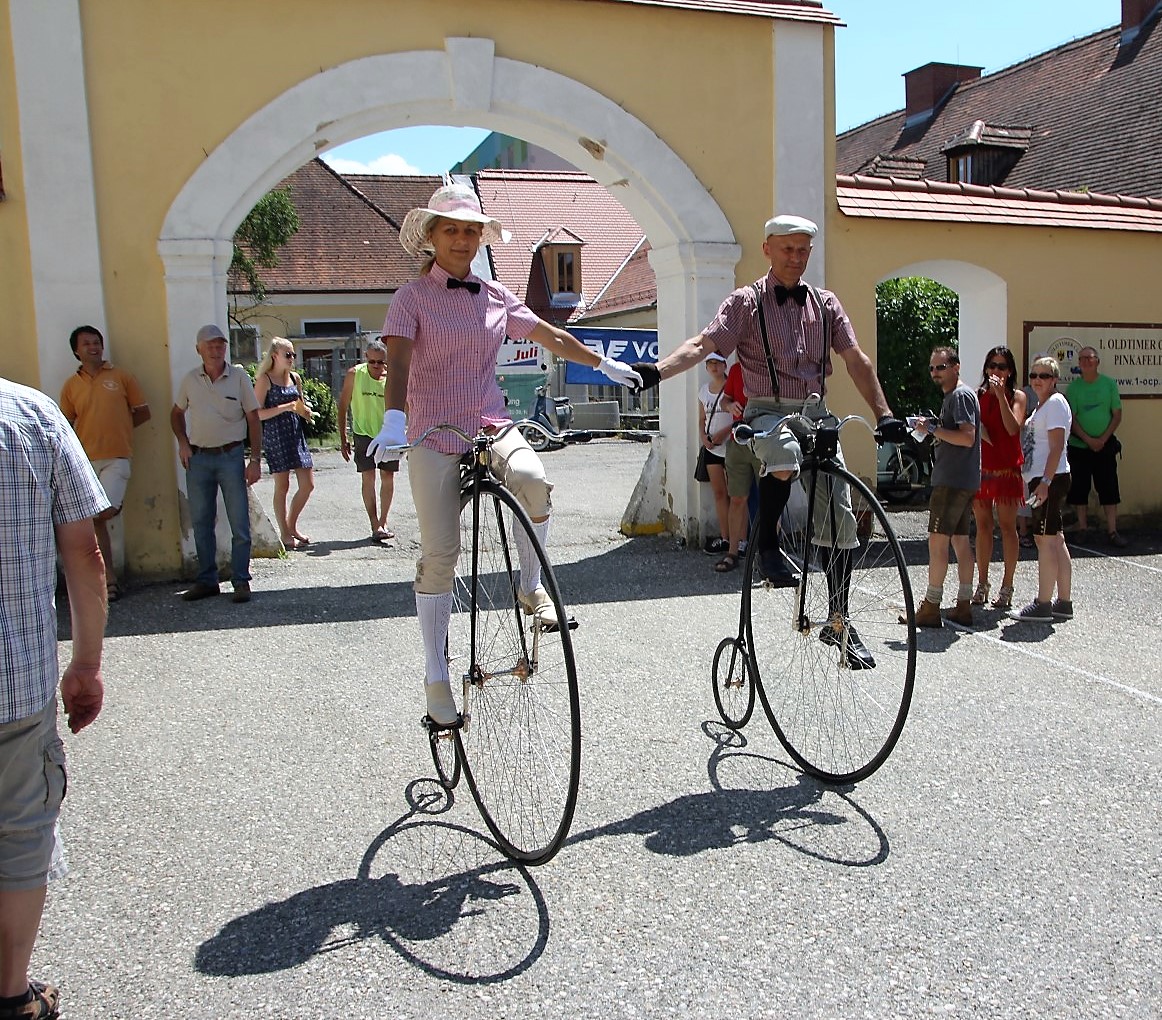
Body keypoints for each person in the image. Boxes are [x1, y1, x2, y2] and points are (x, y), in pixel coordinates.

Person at [370, 183, 641, 725]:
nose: (463, 240)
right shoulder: (410, 298)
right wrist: (395, 417)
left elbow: (549, 334)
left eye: (471, 231)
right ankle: (435, 675)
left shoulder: (494, 294)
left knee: (534, 479)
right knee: (440, 553)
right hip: (431, 430)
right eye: (452, 230)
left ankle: (530, 586)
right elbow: (397, 362)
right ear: (431, 236)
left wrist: (602, 364)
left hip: (488, 421)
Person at [633, 214, 908, 668]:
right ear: (767, 249)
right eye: (787, 249)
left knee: (838, 517)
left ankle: (838, 621)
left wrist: (886, 415)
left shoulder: (825, 304)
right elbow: (705, 344)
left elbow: (856, 360)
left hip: (815, 411)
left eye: (804, 250)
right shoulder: (746, 303)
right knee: (783, 455)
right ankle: (765, 545)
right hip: (765, 411)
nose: (796, 258)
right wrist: (655, 372)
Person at [0, 376, 108, 1020]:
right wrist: (86, 665)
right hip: (14, 682)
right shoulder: (29, 415)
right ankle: (11, 994)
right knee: (19, 833)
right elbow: (84, 551)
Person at [170, 324, 262, 603]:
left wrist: (255, 458)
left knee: (239, 521)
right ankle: (207, 579)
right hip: (198, 458)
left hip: (230, 456)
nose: (216, 349)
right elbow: (175, 414)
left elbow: (253, 418)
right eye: (210, 344)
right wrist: (182, 443)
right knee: (201, 521)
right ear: (199, 349)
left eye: (220, 344)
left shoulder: (238, 377)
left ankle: (241, 580)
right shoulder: (189, 380)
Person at [58, 324, 151, 602]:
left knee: (103, 513)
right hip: (85, 461)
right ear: (77, 350)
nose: (93, 347)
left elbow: (142, 412)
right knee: (93, 519)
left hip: (117, 457)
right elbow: (66, 423)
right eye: (86, 343)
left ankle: (101, 578)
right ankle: (107, 580)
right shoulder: (71, 385)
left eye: (96, 342)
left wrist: (119, 430)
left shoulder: (121, 377)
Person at [912, 347, 981, 628]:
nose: (935, 373)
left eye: (940, 367)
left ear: (956, 367)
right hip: (962, 479)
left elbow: (967, 437)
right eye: (932, 368)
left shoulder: (961, 396)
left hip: (952, 480)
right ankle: (963, 604)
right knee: (960, 541)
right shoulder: (956, 396)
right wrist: (934, 426)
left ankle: (931, 606)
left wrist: (931, 430)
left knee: (937, 542)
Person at [1009, 356, 1073, 622]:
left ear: (1054, 379)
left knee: (1045, 540)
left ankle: (1043, 603)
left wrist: (1045, 483)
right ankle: (1063, 602)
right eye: (1034, 375)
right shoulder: (1043, 406)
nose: (1037, 380)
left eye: (1044, 376)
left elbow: (1056, 446)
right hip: (1045, 478)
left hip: (1051, 479)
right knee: (1055, 539)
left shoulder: (1055, 404)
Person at [970, 345, 1026, 611]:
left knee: (1007, 526)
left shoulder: (1018, 396)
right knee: (982, 526)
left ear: (1010, 371)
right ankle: (982, 583)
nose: (995, 370)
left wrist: (1001, 396)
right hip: (983, 467)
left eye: (1001, 366)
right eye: (992, 365)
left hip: (1006, 468)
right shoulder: (979, 395)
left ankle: (1007, 585)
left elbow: (1013, 428)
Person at [253, 338, 315, 550]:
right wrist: (285, 407)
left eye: (293, 355)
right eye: (287, 354)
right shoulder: (264, 380)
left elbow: (300, 405)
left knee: (307, 485)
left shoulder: (295, 378)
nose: (291, 358)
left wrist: (305, 412)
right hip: (276, 435)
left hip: (295, 433)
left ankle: (292, 525)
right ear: (274, 356)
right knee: (283, 486)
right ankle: (285, 532)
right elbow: (256, 414)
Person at [337, 339, 399, 542]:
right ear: (366, 358)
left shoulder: (391, 378)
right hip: (363, 433)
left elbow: (405, 406)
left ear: (385, 361)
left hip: (387, 433)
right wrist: (343, 437)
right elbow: (343, 405)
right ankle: (374, 523)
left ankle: (383, 520)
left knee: (388, 476)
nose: (375, 366)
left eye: (379, 362)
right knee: (368, 476)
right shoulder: (355, 375)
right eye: (372, 361)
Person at [1066, 346, 1127, 547]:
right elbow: (1072, 419)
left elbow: (1116, 414)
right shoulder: (1073, 388)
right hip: (1079, 446)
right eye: (1082, 359)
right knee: (1080, 489)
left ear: (1097, 361)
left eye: (1089, 358)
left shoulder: (1109, 384)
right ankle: (1082, 528)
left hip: (1105, 446)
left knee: (1109, 488)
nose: (1086, 362)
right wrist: (1088, 440)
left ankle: (1112, 531)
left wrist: (1102, 439)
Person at [713, 360, 753, 573]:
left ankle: (771, 551)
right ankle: (733, 552)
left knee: (771, 498)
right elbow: (725, 400)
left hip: (764, 438)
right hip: (738, 440)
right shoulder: (737, 369)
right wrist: (729, 405)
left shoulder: (774, 366)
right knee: (737, 498)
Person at [697, 352, 735, 556]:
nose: (713, 367)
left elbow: (739, 416)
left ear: (724, 365)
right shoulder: (703, 391)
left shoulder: (732, 386)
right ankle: (725, 537)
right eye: (709, 363)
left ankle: (740, 541)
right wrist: (703, 437)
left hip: (731, 446)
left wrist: (724, 433)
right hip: (712, 448)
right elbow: (701, 418)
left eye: (717, 363)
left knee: (736, 495)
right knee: (719, 494)